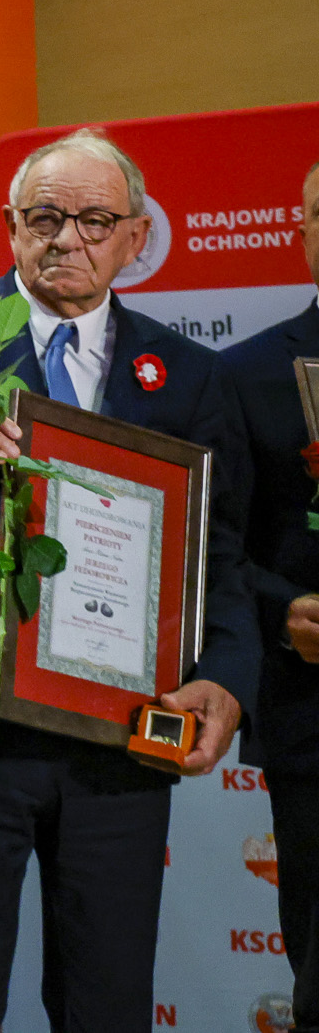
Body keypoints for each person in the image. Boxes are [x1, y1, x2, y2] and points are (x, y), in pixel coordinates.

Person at [0, 128, 261, 1033]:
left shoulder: (191, 372)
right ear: (10, 227)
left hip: (118, 745)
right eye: (45, 217)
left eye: (94, 220)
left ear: (135, 236)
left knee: (107, 1006)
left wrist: (230, 677)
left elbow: (221, 556)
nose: (67, 239)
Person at [224, 158, 319, 1033]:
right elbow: (219, 552)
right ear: (303, 233)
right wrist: (285, 615)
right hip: (313, 722)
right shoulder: (247, 374)